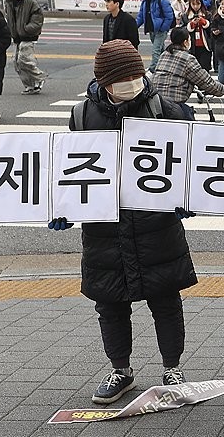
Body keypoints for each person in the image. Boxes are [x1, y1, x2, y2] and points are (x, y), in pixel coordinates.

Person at [49, 39, 196, 404]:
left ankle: (172, 367)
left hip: (155, 225)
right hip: (104, 229)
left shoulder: (165, 109)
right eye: (123, 76)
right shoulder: (83, 114)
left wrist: (188, 199)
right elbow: (72, 167)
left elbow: (189, 162)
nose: (133, 81)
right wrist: (64, 207)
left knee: (165, 299)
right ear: (104, 80)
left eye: (136, 73)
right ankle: (121, 371)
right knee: (110, 303)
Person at [151, 27, 224, 120]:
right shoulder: (187, 59)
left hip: (156, 102)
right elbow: (204, 80)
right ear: (185, 42)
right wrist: (222, 90)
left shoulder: (164, 54)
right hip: (173, 105)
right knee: (188, 125)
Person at [4, 0, 47, 95]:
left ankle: (39, 77)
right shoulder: (9, 2)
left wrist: (25, 29)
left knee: (25, 60)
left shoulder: (30, 1)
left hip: (28, 36)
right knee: (16, 63)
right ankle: (30, 85)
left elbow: (38, 20)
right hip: (17, 37)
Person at [135, 0, 175, 72]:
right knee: (160, 50)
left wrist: (163, 28)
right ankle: (167, 65)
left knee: (155, 50)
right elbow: (140, 16)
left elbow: (169, 17)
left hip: (160, 30)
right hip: (151, 29)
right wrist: (133, 26)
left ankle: (154, 70)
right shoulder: (145, 2)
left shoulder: (162, 1)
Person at [179, 0, 212, 71]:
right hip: (191, 46)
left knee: (204, 69)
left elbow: (211, 29)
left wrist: (204, 22)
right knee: (192, 70)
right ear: (190, 4)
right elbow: (182, 30)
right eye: (193, 4)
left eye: (198, 4)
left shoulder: (207, 15)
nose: (196, 6)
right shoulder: (185, 16)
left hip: (205, 46)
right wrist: (191, 24)